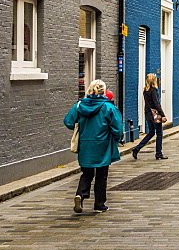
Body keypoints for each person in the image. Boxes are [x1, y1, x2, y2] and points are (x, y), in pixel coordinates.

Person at [64, 79, 124, 213]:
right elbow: (117, 128)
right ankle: (99, 204)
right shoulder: (108, 107)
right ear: (104, 91)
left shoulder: (79, 105)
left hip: (85, 144)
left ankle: (80, 194)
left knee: (87, 173)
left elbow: (68, 121)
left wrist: (80, 126)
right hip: (102, 144)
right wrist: (116, 138)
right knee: (101, 175)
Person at [133, 73, 168, 160]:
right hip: (155, 114)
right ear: (153, 80)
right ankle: (158, 153)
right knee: (159, 133)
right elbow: (156, 104)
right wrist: (162, 115)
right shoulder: (153, 90)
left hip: (148, 113)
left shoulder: (145, 90)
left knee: (151, 132)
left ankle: (137, 148)